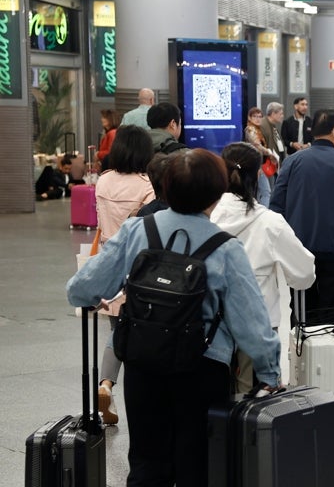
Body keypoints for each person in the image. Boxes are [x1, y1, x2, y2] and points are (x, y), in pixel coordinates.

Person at [67, 148, 281, 486]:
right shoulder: (225, 247)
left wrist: (94, 298)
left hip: (143, 361)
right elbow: (250, 322)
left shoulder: (138, 230)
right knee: (197, 464)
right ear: (217, 193)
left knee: (146, 462)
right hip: (202, 366)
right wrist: (270, 371)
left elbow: (81, 288)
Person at [210, 143, 315, 393]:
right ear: (258, 174)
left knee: (214, 399)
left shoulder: (206, 217)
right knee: (253, 404)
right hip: (258, 323)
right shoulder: (269, 222)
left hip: (209, 323)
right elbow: (304, 272)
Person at [270, 110, 334, 323]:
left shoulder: (292, 162)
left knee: (302, 311)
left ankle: (302, 354)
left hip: (299, 250)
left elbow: (276, 207)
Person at [93, 125, 157, 425]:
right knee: (134, 330)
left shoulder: (103, 180)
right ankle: (112, 386)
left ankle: (107, 385)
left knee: (117, 327)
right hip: (137, 264)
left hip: (108, 261)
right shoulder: (146, 185)